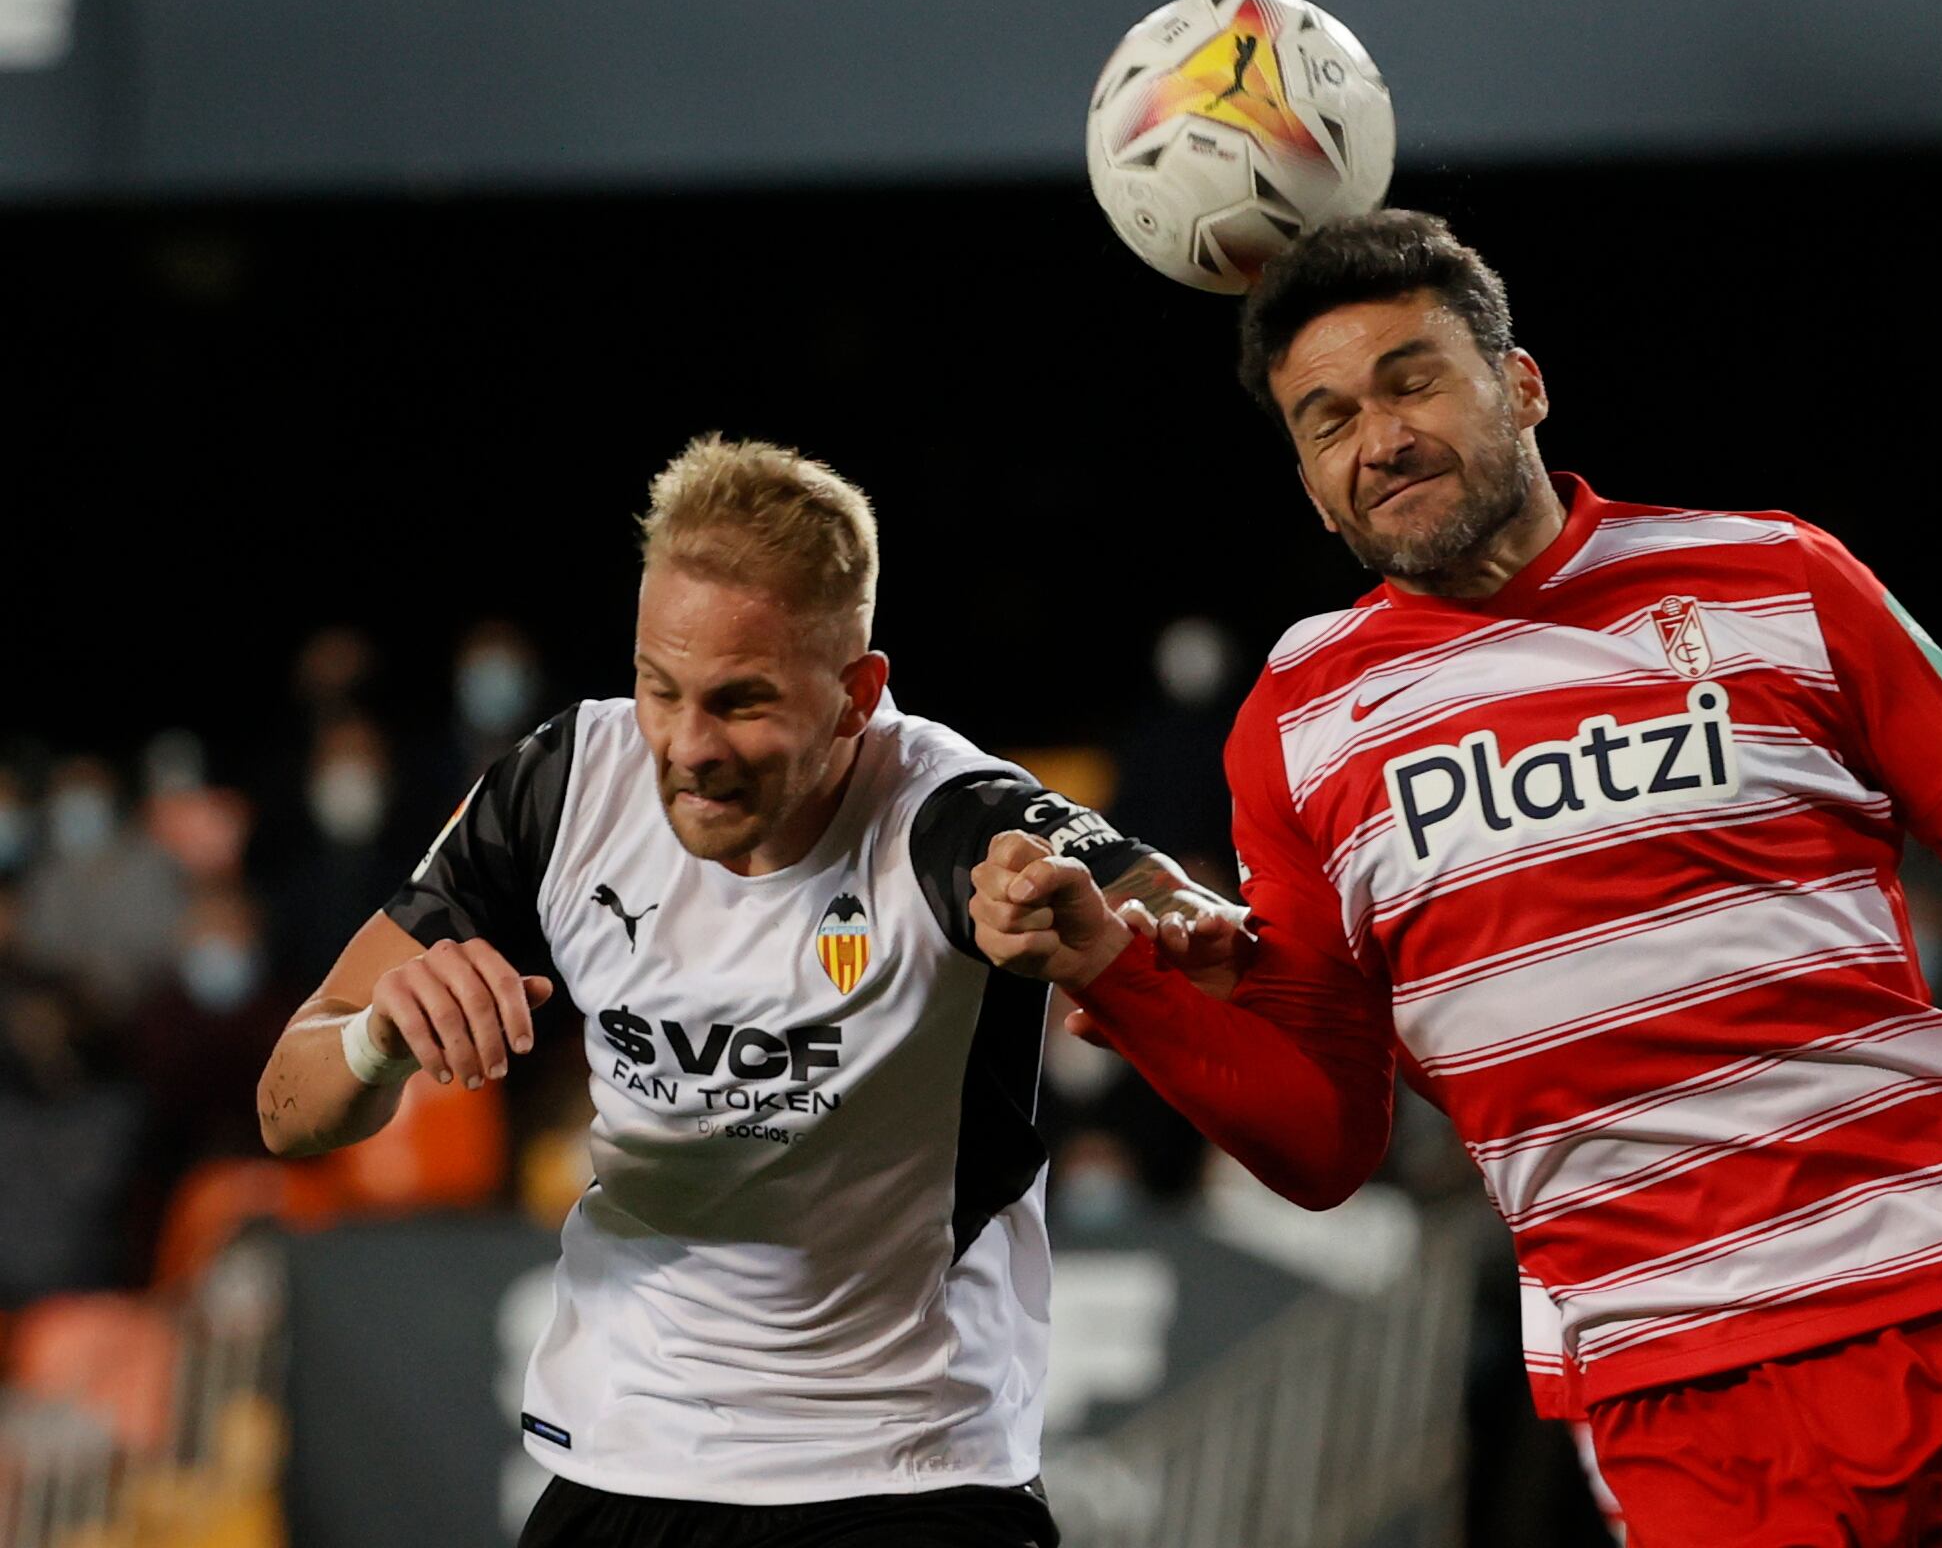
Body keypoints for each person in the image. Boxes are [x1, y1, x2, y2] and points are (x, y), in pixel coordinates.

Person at [968, 209, 1942, 1546]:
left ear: (1521, 383)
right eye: (1329, 421)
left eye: (1414, 380)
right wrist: (1117, 980)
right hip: (1679, 1400)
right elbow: (1323, 1142)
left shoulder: (1778, 577)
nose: (1382, 441)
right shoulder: (1296, 725)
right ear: (1310, 481)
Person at [255, 435, 1232, 1548]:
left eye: (742, 701)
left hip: (909, 1477)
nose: (686, 745)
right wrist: (381, 1037)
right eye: (659, 686)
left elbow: (1188, 915)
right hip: (626, 1459)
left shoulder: (949, 814)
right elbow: (286, 1102)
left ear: (859, 694)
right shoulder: (561, 784)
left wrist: (1127, 930)